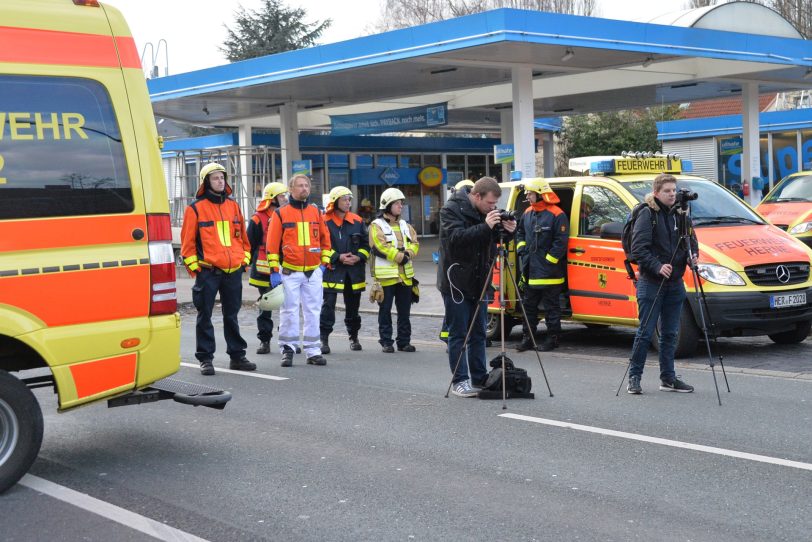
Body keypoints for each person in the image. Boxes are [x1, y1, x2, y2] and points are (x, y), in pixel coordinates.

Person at [439, 177, 515, 397]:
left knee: (479, 333)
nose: (493, 208)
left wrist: (509, 232)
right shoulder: (451, 209)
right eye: (490, 204)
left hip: (481, 280)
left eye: (495, 205)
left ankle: (479, 377)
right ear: (477, 196)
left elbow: (493, 240)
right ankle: (460, 381)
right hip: (456, 281)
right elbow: (456, 239)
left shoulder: (485, 213)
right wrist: (486, 226)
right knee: (459, 333)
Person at [180, 162, 256, 375]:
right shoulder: (195, 208)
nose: (220, 181)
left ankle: (237, 356)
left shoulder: (233, 206)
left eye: (222, 177)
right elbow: (187, 245)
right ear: (206, 182)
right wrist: (198, 269)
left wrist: (243, 261)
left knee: (231, 315)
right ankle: (205, 359)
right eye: (215, 178)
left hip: (233, 272)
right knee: (204, 316)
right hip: (209, 272)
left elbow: (243, 239)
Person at [627, 173, 697, 394]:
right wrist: (657, 266)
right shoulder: (648, 214)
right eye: (667, 191)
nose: (672, 195)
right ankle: (634, 377)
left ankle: (668, 378)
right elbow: (639, 249)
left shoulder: (680, 214)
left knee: (670, 333)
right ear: (656, 192)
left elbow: (691, 241)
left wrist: (692, 256)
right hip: (651, 282)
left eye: (674, 191)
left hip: (675, 282)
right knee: (646, 332)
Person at [266, 174, 331, 367]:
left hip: (313, 272)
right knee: (289, 312)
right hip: (289, 272)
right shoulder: (280, 213)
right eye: (300, 186)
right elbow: (271, 245)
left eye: (307, 186)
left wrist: (323, 265)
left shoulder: (316, 212)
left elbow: (325, 241)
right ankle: (288, 349)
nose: (304, 189)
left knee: (313, 311)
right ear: (291, 190)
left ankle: (313, 351)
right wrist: (273, 271)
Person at [515, 179, 569, 352]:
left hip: (550, 273)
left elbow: (560, 242)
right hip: (530, 271)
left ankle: (553, 338)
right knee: (528, 306)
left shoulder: (557, 214)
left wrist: (548, 261)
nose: (527, 197)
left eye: (530, 194)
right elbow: (520, 233)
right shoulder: (528, 213)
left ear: (540, 193)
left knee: (551, 307)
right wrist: (522, 250)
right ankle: (527, 338)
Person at [369, 187, 419, 353]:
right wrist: (401, 257)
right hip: (386, 278)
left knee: (404, 312)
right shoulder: (376, 226)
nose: (401, 206)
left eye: (401, 203)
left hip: (405, 277)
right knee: (385, 311)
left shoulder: (406, 225)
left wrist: (409, 253)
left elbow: (415, 243)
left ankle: (404, 342)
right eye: (397, 203)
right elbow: (379, 246)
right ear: (387, 205)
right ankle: (386, 341)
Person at [320, 186, 370, 353]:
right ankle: (324, 339)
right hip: (332, 269)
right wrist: (338, 257)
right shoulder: (324, 221)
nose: (348, 202)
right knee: (328, 306)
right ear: (335, 202)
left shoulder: (357, 221)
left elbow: (366, 245)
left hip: (354, 271)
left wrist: (359, 257)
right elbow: (320, 245)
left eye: (350, 199)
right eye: (345, 199)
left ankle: (354, 337)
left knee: (353, 307)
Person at [247, 181, 288, 355]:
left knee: (288, 307)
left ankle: (287, 341)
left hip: (286, 267)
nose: (285, 198)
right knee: (267, 306)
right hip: (264, 271)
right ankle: (265, 341)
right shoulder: (258, 218)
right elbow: (250, 244)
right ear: (272, 199)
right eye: (281, 196)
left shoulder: (288, 214)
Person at [438, 179, 475, 348]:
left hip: (462, 276)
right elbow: (457, 238)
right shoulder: (451, 211)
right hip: (453, 276)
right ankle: (449, 338)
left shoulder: (470, 211)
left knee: (455, 313)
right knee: (454, 314)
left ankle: (449, 336)